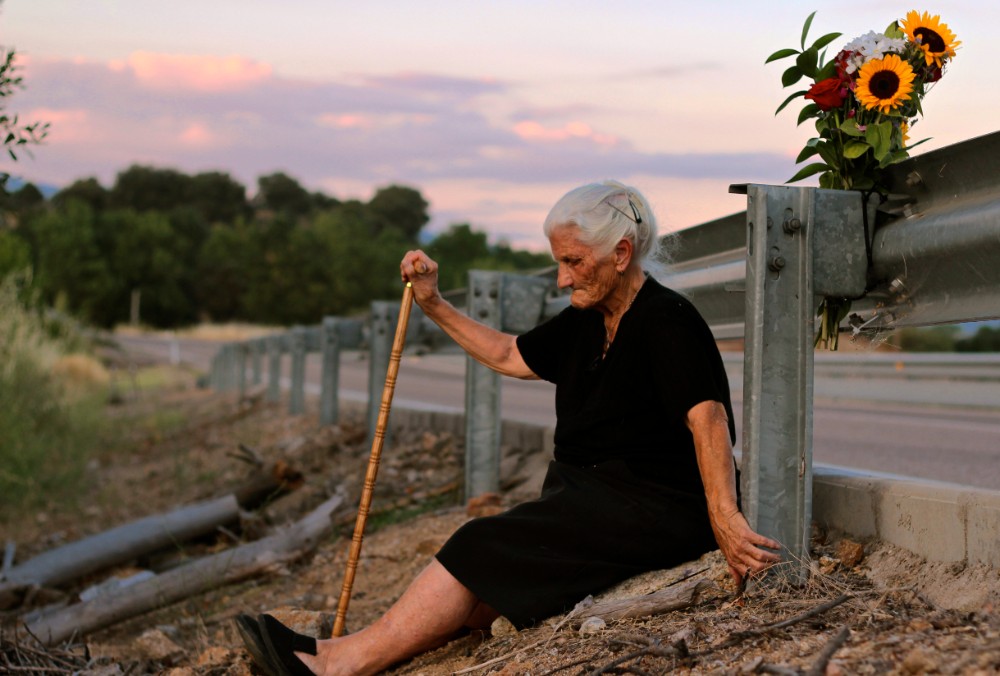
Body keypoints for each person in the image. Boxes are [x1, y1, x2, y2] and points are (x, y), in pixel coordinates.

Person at [238, 180, 782, 676]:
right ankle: (340, 650)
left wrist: (725, 519)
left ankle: (336, 665)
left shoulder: (667, 319)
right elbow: (508, 354)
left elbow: (706, 419)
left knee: (480, 542)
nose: (564, 277)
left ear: (620, 254)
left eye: (573, 261)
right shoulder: (585, 318)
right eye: (558, 263)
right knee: (479, 596)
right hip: (590, 499)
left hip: (650, 507)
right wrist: (434, 303)